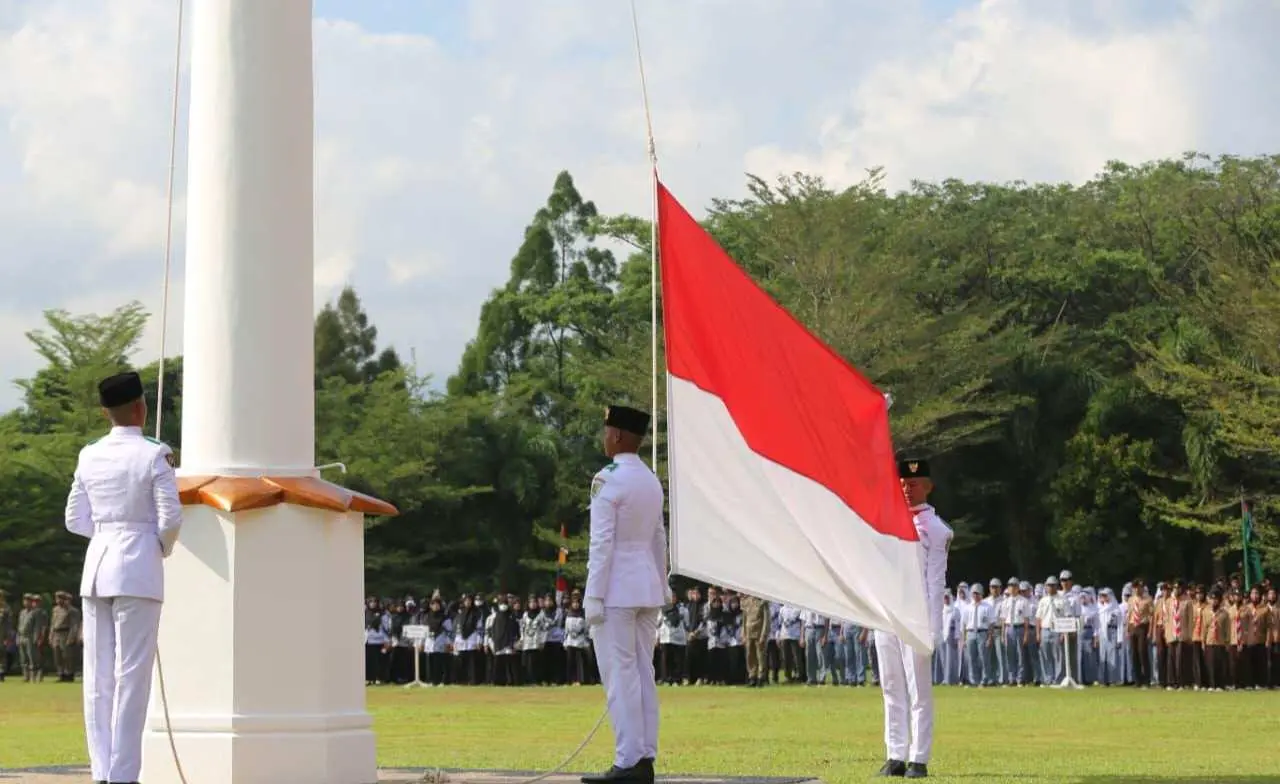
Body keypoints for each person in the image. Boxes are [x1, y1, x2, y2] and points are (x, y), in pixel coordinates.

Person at [64, 370, 183, 784]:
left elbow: (74, 518)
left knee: (98, 678)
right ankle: (123, 775)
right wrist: (155, 548)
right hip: (137, 567)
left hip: (96, 566)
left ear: (105, 413)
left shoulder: (89, 454)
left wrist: (107, 537)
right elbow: (170, 519)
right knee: (132, 676)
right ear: (141, 407)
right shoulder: (155, 453)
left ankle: (102, 771)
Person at [581, 405, 668, 784]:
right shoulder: (651, 479)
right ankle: (644, 757)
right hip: (647, 586)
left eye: (607, 432)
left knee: (620, 675)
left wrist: (593, 594)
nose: (605, 438)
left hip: (616, 589)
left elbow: (601, 543)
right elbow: (658, 538)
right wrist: (663, 584)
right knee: (643, 674)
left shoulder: (608, 479)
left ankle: (627, 760)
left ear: (617, 436)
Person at [875, 458, 952, 779]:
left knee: (918, 689)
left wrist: (933, 627)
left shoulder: (936, 530)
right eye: (905, 483)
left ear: (929, 487)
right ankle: (895, 754)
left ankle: (918, 757)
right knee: (891, 685)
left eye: (915, 483)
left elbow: (935, 582)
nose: (908, 488)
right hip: (887, 611)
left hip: (915, 613)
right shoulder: (885, 520)